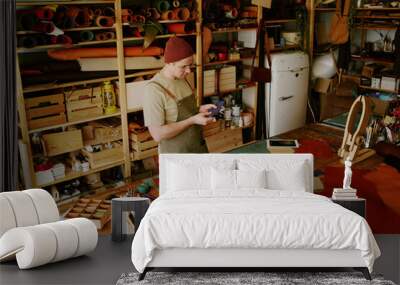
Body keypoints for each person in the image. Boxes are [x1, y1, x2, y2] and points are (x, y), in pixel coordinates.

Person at [143, 37, 215, 153]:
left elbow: (183, 112)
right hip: (176, 155)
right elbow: (158, 134)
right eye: (183, 66)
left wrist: (200, 110)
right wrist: (192, 120)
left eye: (190, 65)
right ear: (170, 63)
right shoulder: (154, 90)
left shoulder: (182, 79)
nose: (188, 71)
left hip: (198, 148)